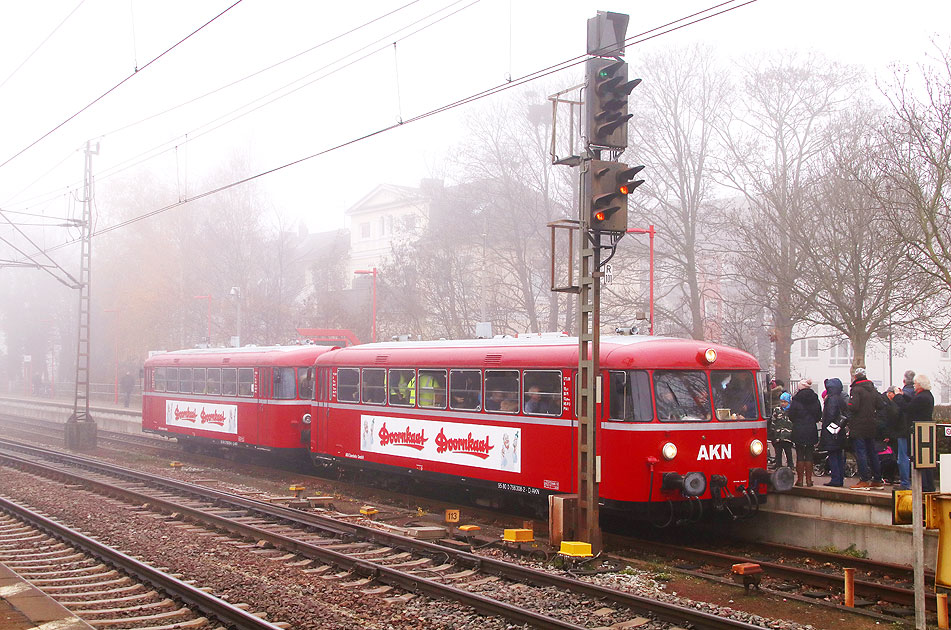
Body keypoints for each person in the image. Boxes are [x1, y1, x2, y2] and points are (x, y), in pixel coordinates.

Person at [895, 373, 937, 492]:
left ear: (920, 385)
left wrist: (898, 397)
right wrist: (904, 395)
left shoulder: (921, 397)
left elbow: (908, 408)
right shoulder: (927, 395)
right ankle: (928, 485)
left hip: (919, 431)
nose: (914, 386)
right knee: (925, 461)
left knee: (920, 460)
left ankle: (925, 486)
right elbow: (913, 402)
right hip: (924, 429)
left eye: (916, 384)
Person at [847, 367, 885, 490]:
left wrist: (849, 403)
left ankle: (864, 480)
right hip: (871, 426)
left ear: (855, 377)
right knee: (872, 452)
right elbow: (881, 404)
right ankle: (878, 480)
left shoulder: (856, 389)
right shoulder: (873, 389)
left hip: (859, 426)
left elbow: (854, 406)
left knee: (861, 453)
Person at [788, 378, 821, 487]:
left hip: (799, 429)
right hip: (811, 429)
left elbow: (791, 415)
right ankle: (809, 480)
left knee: (800, 454)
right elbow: (818, 416)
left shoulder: (796, 400)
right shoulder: (815, 399)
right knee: (809, 454)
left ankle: (800, 480)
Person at [819, 378, 849, 487]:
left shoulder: (831, 399)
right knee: (839, 456)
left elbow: (830, 415)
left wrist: (826, 426)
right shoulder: (840, 399)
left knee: (833, 455)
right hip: (839, 432)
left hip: (831, 432)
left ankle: (835, 479)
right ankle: (839, 478)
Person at [768, 392, 794, 469]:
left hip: (788, 436)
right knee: (778, 451)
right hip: (778, 435)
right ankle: (778, 464)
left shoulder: (792, 411)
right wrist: (772, 432)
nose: (783, 403)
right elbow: (773, 421)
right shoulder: (777, 410)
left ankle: (790, 465)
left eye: (785, 402)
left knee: (788, 451)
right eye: (782, 401)